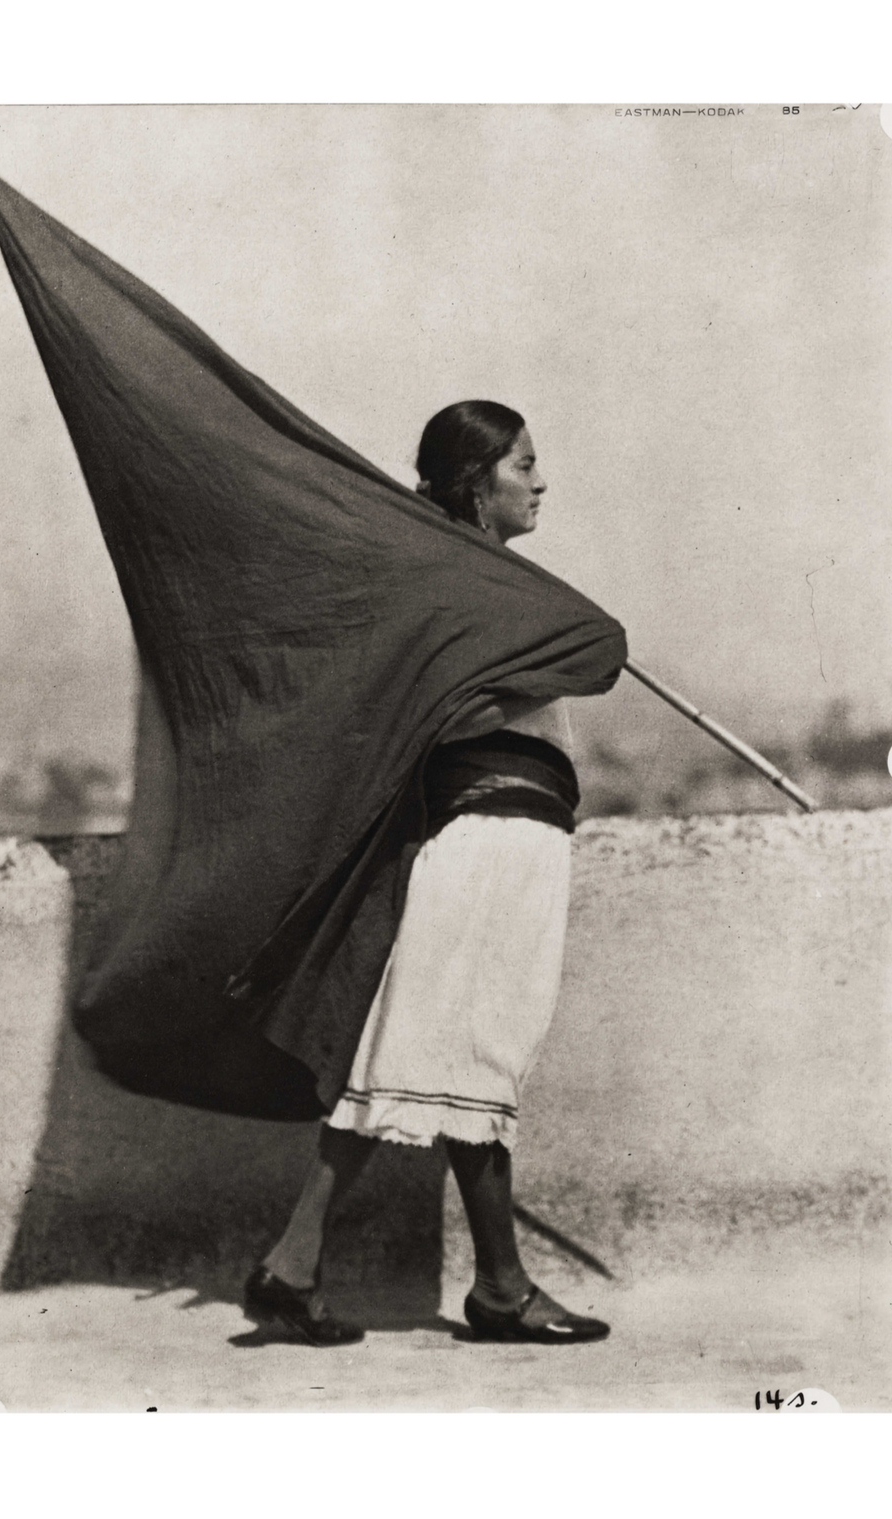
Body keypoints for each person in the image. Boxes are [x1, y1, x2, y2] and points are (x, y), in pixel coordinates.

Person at [243, 401, 612, 1348]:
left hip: (508, 838)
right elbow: (596, 650)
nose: (540, 481)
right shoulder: (465, 591)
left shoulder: (483, 586)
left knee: (432, 1060)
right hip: (483, 840)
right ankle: (469, 1285)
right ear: (476, 483)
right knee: (444, 1055)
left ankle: (453, 1281)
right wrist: (548, 630)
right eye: (524, 465)